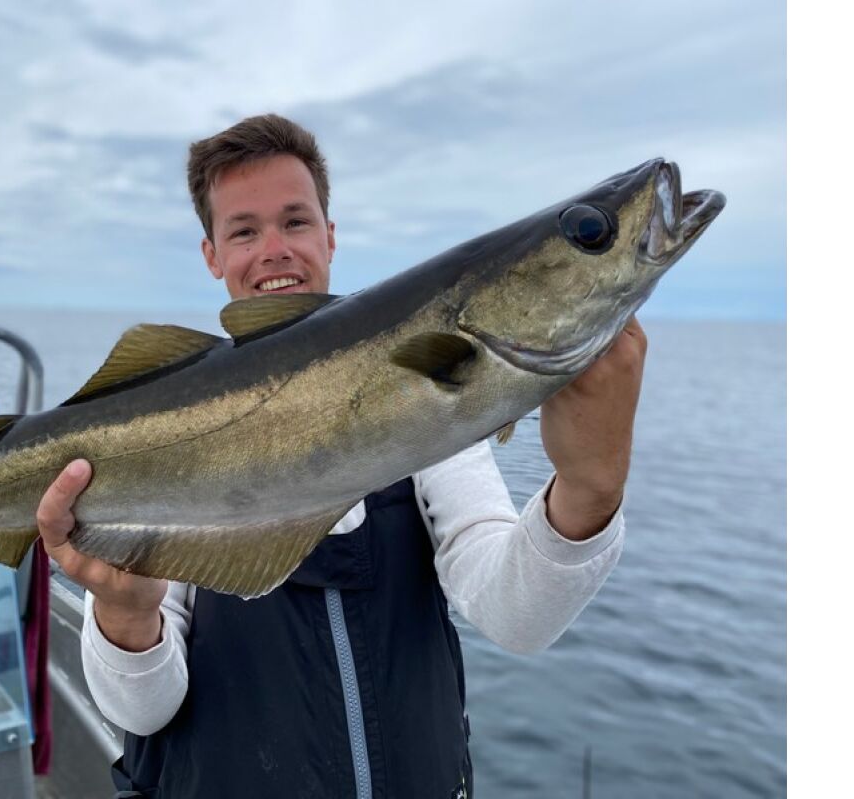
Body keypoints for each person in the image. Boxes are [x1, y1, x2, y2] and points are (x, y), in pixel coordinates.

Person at [38, 114, 644, 798]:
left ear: (330, 234)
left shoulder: (432, 419)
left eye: (295, 221)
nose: (274, 250)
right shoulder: (165, 434)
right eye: (244, 231)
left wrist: (590, 487)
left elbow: (517, 617)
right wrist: (126, 615)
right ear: (212, 255)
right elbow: (142, 711)